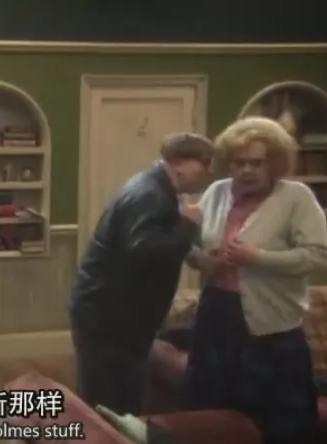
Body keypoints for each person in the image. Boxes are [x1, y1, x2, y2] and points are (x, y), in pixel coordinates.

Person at [183, 116, 327, 443]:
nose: (247, 170)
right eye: (240, 162)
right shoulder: (216, 193)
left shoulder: (296, 198)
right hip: (216, 316)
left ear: (274, 163)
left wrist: (258, 258)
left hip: (271, 328)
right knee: (210, 413)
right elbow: (191, 244)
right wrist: (202, 260)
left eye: (257, 162)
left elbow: (318, 256)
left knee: (278, 420)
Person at [68, 133, 213, 415]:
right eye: (205, 163)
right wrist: (187, 225)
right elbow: (143, 251)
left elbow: (152, 238)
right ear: (179, 162)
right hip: (111, 320)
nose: (209, 172)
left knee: (111, 400)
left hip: (110, 314)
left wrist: (195, 255)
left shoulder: (154, 187)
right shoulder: (151, 194)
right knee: (110, 406)